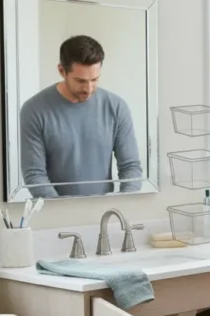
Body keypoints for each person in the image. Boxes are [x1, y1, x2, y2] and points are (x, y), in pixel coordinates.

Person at [18, 35, 142, 198]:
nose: (89, 88)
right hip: (56, 215)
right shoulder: (34, 110)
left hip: (106, 212)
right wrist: (64, 211)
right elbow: (34, 175)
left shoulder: (116, 107)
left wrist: (125, 203)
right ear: (62, 71)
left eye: (94, 79)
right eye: (80, 81)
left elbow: (130, 167)